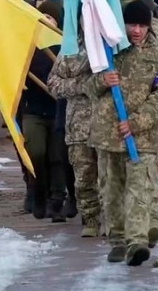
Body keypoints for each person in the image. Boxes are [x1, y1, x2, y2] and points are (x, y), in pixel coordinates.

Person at [87, 0, 158, 266]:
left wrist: (136, 122)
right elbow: (84, 87)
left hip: (142, 135)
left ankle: (137, 242)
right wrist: (102, 81)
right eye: (132, 25)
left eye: (142, 25)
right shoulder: (107, 49)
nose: (136, 30)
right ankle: (118, 240)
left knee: (139, 189)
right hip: (107, 132)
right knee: (111, 188)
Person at [48, 19, 99, 237]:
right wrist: (79, 86)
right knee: (83, 177)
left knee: (110, 177)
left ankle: (114, 221)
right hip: (78, 125)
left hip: (109, 124)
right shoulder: (69, 48)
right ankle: (91, 219)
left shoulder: (115, 47)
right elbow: (53, 83)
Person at [20, 1, 67, 223]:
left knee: (58, 157)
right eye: (43, 17)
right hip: (33, 109)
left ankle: (57, 201)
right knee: (35, 151)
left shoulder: (65, 46)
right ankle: (38, 191)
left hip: (58, 109)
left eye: (51, 17)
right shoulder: (27, 44)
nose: (47, 21)